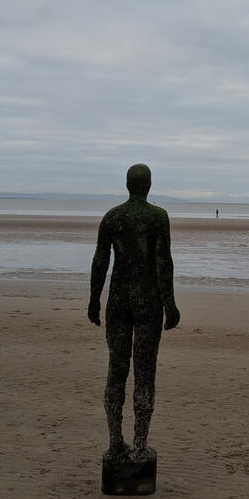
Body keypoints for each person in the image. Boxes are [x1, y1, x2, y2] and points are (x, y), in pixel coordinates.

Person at [88, 164, 180, 462]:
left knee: (117, 371)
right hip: (147, 301)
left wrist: (94, 298)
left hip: (118, 300)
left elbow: (100, 261)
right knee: (144, 373)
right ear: (149, 185)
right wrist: (170, 303)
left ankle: (116, 441)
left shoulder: (113, 217)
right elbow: (163, 262)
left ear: (127, 185)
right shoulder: (157, 217)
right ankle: (139, 445)